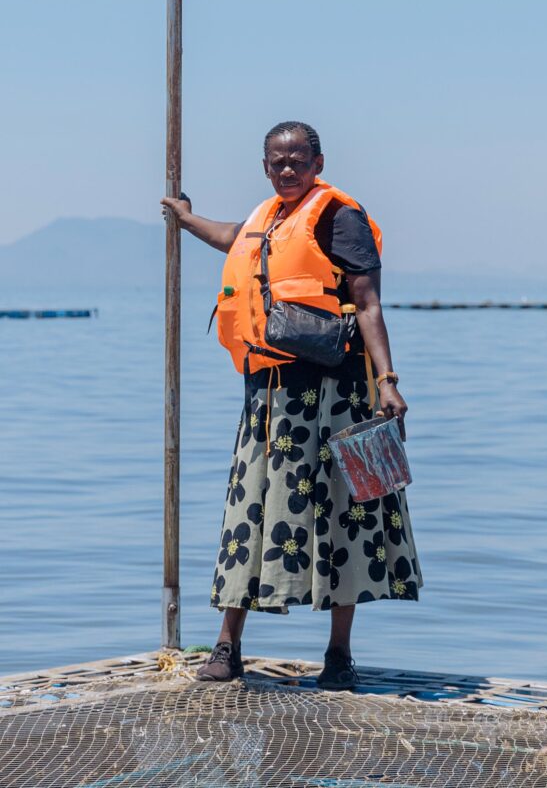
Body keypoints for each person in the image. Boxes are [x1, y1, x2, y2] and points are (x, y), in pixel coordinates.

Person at [161, 120, 422, 690]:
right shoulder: (266, 216)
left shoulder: (340, 216)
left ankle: (338, 656)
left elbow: (368, 303)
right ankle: (228, 648)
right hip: (270, 394)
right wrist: (185, 219)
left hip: (336, 392)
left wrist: (389, 380)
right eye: (277, 161)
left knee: (342, 515)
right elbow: (235, 238)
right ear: (264, 166)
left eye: (297, 159)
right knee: (249, 510)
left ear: (318, 162)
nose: (287, 169)